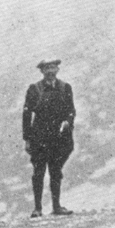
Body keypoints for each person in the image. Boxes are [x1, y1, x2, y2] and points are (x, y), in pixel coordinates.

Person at [22, 59, 76, 218]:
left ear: (58, 69)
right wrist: (27, 138)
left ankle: (56, 206)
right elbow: (27, 114)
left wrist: (68, 121)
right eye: (47, 68)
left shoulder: (65, 88)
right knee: (38, 172)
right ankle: (37, 208)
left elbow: (71, 110)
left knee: (56, 171)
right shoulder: (34, 89)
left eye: (53, 67)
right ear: (42, 71)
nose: (50, 71)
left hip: (59, 137)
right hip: (39, 137)